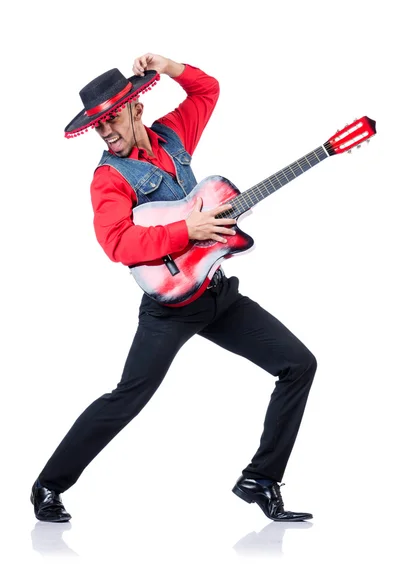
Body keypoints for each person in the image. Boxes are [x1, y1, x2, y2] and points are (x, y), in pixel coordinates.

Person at [31, 53, 317, 523]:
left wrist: (166, 66)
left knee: (299, 364)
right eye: (98, 127)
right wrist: (189, 230)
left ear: (136, 109)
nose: (106, 132)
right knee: (129, 397)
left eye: (112, 119)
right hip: (169, 306)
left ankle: (261, 479)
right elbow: (117, 242)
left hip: (218, 294)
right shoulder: (109, 177)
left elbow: (208, 90)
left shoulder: (173, 134)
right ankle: (48, 485)